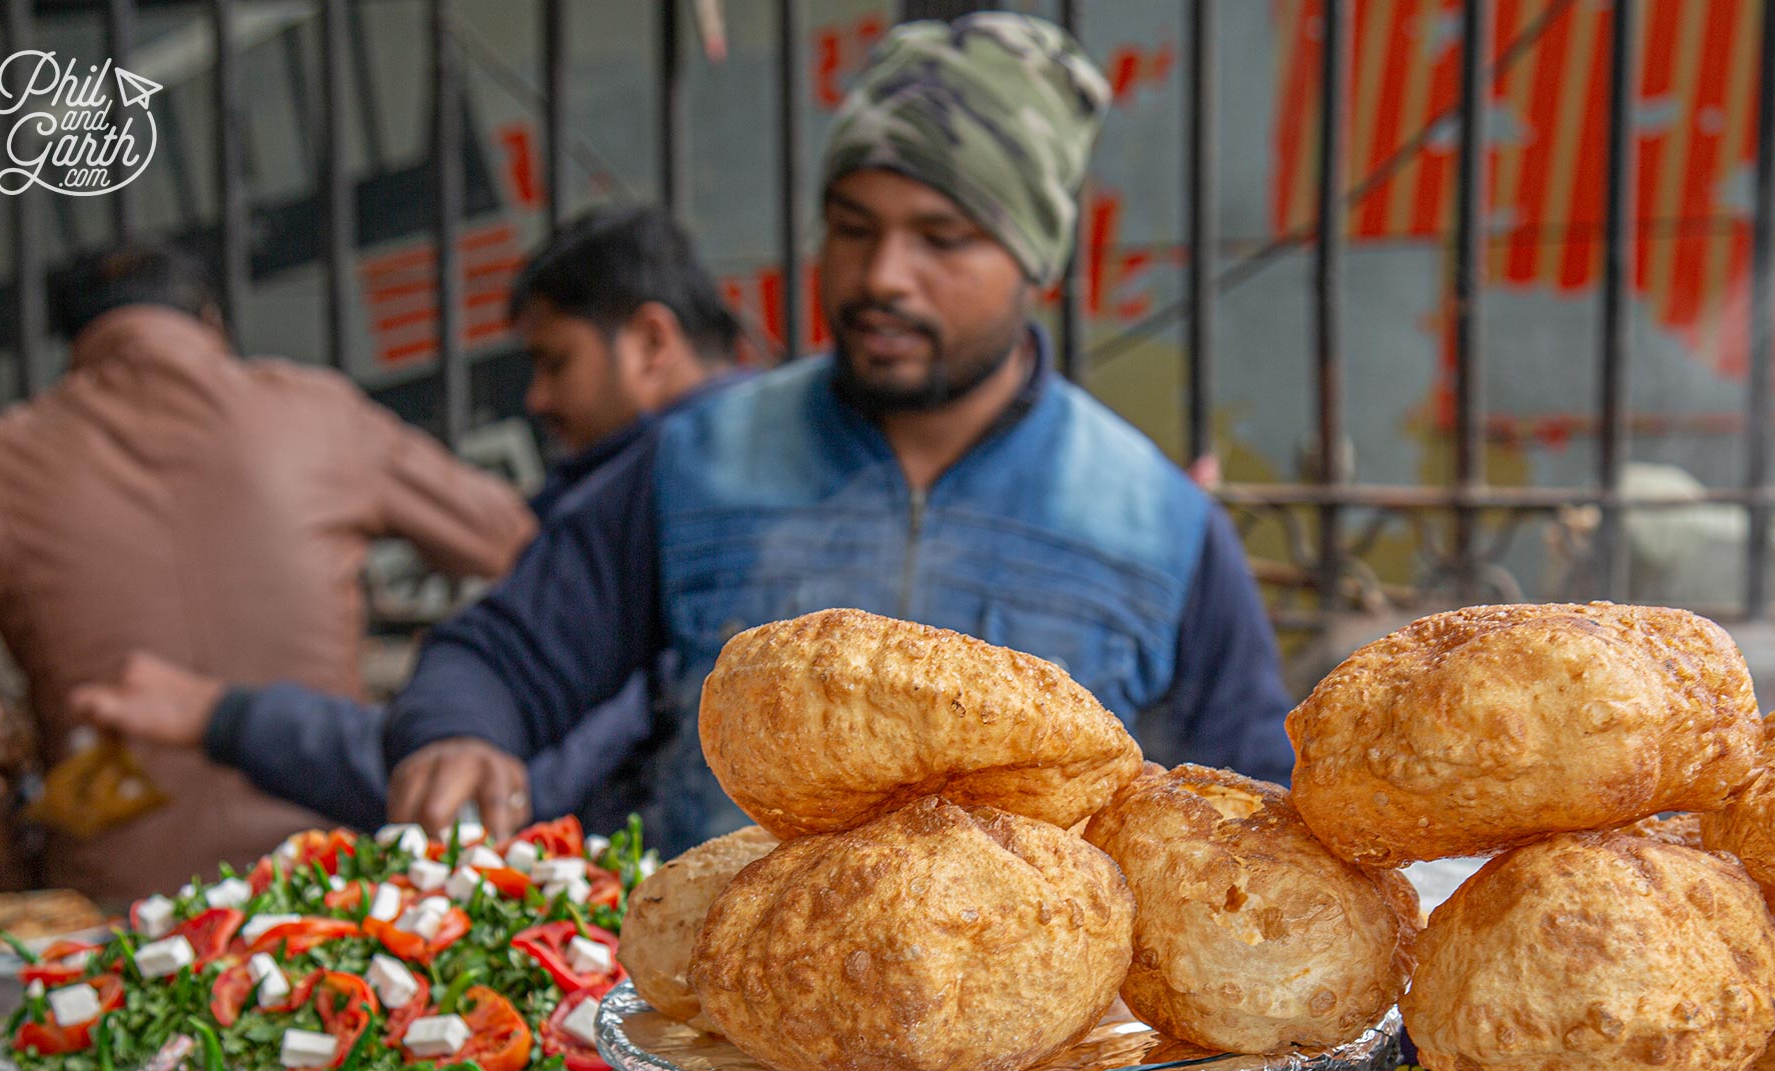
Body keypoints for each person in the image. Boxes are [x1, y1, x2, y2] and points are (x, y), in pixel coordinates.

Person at [382, 13, 1295, 853]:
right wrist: (459, 735)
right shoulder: (699, 462)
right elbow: (502, 657)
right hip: (715, 1008)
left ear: (1035, 265)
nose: (883, 275)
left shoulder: (1160, 527)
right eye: (854, 229)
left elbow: (1247, 808)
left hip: (1033, 1025)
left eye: (940, 237)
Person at [71, 207, 746, 835]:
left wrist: (227, 715)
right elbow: (499, 656)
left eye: (554, 362)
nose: (537, 399)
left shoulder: (664, 484)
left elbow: (510, 786)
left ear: (652, 340)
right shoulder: (321, 414)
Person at [0, 245, 536, 903]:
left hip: (113, 905)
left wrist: (10, 881)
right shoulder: (321, 415)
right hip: (332, 883)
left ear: (74, 343)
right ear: (210, 320)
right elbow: (517, 545)